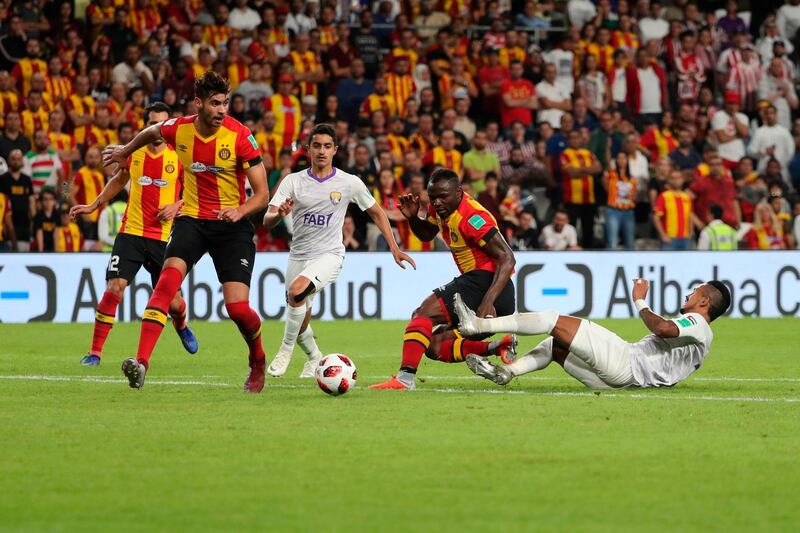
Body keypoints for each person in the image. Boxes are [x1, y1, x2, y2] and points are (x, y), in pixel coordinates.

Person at [102, 72, 269, 392]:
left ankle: (257, 359)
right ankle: (141, 363)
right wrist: (125, 149)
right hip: (192, 220)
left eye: (226, 103)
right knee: (166, 282)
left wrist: (241, 210)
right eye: (215, 103)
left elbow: (262, 194)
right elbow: (151, 130)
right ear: (199, 103)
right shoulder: (179, 128)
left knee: (236, 309)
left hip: (232, 225)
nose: (222, 110)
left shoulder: (240, 136)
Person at [263, 124, 415, 378]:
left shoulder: (348, 182)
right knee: (299, 312)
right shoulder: (292, 181)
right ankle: (314, 358)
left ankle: (284, 350)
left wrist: (394, 248)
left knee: (296, 292)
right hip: (298, 255)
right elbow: (266, 220)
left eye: (327, 146)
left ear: (335, 150)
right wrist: (278, 214)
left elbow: (377, 212)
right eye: (316, 146)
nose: (321, 151)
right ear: (308, 149)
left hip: (329, 255)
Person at [70, 102, 197, 366]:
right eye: (153, 123)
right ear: (145, 125)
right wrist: (94, 204)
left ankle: (181, 324)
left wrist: (176, 206)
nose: (158, 130)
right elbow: (118, 179)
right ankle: (95, 353)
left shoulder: (179, 155)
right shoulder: (134, 152)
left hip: (163, 238)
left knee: (173, 302)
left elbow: (195, 194)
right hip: (131, 233)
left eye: (162, 124)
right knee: (114, 287)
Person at [370, 168, 517, 391]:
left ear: (459, 192)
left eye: (443, 196)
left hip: (488, 283)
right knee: (433, 345)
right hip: (482, 286)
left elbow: (507, 258)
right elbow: (426, 234)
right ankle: (498, 347)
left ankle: (404, 379)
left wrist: (488, 302)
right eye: (433, 197)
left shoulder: (473, 217)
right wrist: (412, 218)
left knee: (422, 314)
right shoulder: (441, 209)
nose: (437, 202)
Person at [458, 278, 731, 390]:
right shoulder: (703, 336)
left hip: (628, 364)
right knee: (557, 344)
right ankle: (507, 372)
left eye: (695, 291)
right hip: (625, 385)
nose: (688, 294)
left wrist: (640, 300)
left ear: (705, 301)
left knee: (554, 319)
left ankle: (478, 326)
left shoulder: (697, 322)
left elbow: (662, 328)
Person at [653, 169, 698, 251]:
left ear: (682, 180)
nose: (676, 181)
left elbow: (690, 215)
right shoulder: (664, 196)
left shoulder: (687, 197)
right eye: (673, 178)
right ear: (669, 180)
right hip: (670, 238)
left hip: (685, 238)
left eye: (678, 178)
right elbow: (656, 218)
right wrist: (663, 235)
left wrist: (691, 232)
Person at [0, 149, 34, 250]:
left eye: (19, 159)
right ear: (9, 161)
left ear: (22, 161)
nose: (16, 161)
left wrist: (33, 219)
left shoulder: (26, 179)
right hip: (8, 223)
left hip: (24, 223)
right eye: (13, 159)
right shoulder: (2, 179)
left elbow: (31, 201)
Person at [603, 151, 637, 250]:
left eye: (624, 158)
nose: (621, 160)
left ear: (627, 160)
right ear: (616, 161)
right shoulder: (611, 175)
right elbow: (605, 185)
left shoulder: (632, 178)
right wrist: (608, 149)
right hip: (613, 210)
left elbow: (634, 196)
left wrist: (630, 196)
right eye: (619, 158)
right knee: (612, 242)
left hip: (628, 211)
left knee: (630, 242)